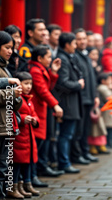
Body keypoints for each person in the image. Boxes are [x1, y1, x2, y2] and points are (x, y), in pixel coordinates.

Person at [28, 45, 64, 187]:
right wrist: (55, 104)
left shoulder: (40, 69)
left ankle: (33, 175)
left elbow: (47, 88)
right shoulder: (35, 71)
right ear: (39, 58)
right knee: (34, 145)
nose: (50, 59)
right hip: (36, 110)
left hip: (41, 110)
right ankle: (32, 176)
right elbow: (43, 91)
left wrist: (53, 72)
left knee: (39, 143)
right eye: (48, 57)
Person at [52, 33, 83, 174]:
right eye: (74, 43)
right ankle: (64, 163)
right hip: (67, 103)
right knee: (65, 134)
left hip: (71, 102)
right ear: (67, 44)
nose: (76, 46)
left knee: (67, 134)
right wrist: (78, 84)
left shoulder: (68, 57)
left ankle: (65, 161)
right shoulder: (62, 59)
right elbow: (62, 82)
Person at [0, 31, 23, 200]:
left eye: (12, 48)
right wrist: (12, 94)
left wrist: (17, 96)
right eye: (7, 47)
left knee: (3, 164)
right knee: (0, 165)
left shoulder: (5, 67)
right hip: (0, 124)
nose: (11, 51)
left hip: (6, 123)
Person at [9, 72, 41, 198]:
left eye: (30, 84)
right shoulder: (17, 99)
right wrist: (22, 119)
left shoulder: (29, 99)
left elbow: (35, 114)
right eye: (26, 83)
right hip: (19, 138)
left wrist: (35, 120)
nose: (29, 87)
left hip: (28, 138)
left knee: (27, 162)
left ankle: (27, 184)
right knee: (16, 163)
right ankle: (14, 186)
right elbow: (12, 115)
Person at [72, 29, 99, 165]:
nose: (82, 42)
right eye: (79, 39)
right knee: (79, 129)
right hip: (81, 98)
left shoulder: (86, 56)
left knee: (86, 128)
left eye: (84, 39)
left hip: (89, 97)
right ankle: (78, 155)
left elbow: (92, 78)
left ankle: (85, 151)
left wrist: (95, 95)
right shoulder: (75, 57)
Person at [97, 72, 112, 150]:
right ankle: (107, 143)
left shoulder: (105, 87)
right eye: (109, 79)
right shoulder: (102, 88)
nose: (111, 81)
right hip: (106, 111)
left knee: (109, 127)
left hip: (108, 111)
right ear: (103, 81)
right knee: (107, 128)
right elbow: (110, 97)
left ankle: (109, 142)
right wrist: (110, 89)